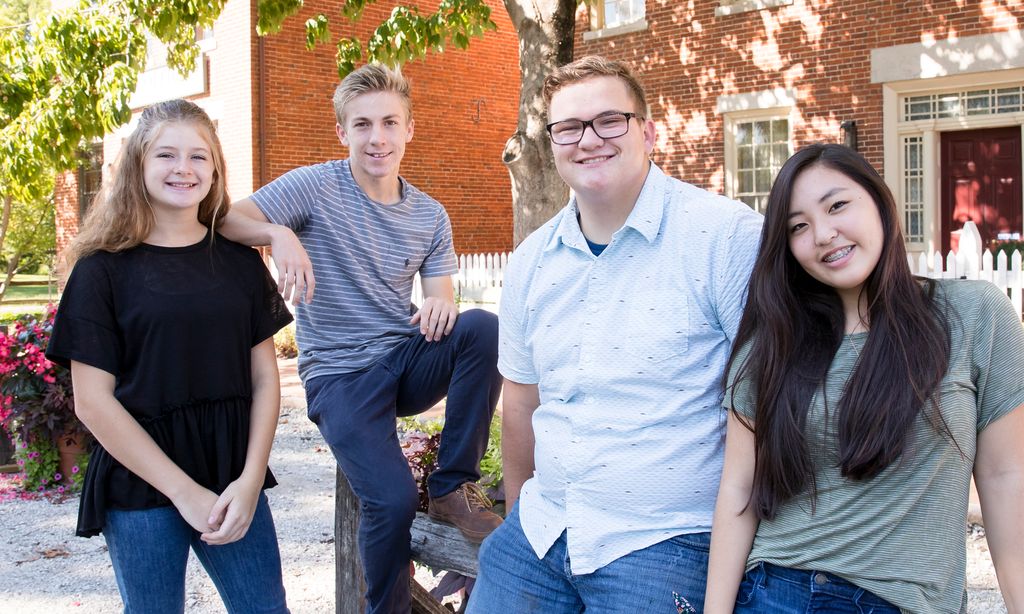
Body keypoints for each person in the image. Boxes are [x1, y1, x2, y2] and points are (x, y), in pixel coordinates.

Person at [467, 56, 763, 612]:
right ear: (553, 145)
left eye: (610, 120)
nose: (588, 140)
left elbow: (770, 402)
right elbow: (522, 403)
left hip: (665, 539)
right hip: (542, 528)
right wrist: (517, 518)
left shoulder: (724, 239)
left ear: (649, 132)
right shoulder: (532, 261)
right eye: (569, 128)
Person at [216, 63, 503, 614]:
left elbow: (440, 297)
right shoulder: (314, 186)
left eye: (390, 123)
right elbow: (227, 219)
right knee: (391, 500)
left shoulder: (430, 214)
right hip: (340, 376)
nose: (378, 138)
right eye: (363, 124)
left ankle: (451, 488)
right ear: (343, 132)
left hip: (401, 358)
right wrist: (277, 233)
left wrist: (443, 302)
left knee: (482, 327)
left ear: (409, 129)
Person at [705, 143, 1024, 613]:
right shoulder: (773, 342)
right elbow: (739, 488)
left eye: (837, 205)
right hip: (777, 592)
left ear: (878, 200)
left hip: (904, 600)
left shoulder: (974, 315)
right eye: (798, 226)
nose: (823, 234)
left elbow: (1004, 475)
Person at [46, 99, 293, 613]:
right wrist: (183, 492)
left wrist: (249, 482)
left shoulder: (241, 267)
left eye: (199, 157)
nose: (183, 168)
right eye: (166, 155)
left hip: (231, 476)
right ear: (138, 164)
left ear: (216, 170)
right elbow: (93, 403)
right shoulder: (101, 272)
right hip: (140, 480)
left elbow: (266, 383)